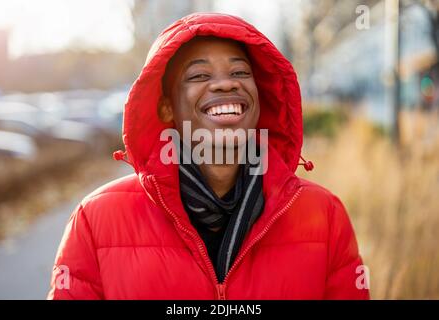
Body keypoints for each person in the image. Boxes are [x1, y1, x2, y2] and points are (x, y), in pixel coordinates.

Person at [47, 13, 370, 300]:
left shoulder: (324, 216)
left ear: (261, 97)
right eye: (199, 76)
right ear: (166, 106)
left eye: (241, 72)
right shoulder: (96, 220)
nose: (226, 83)